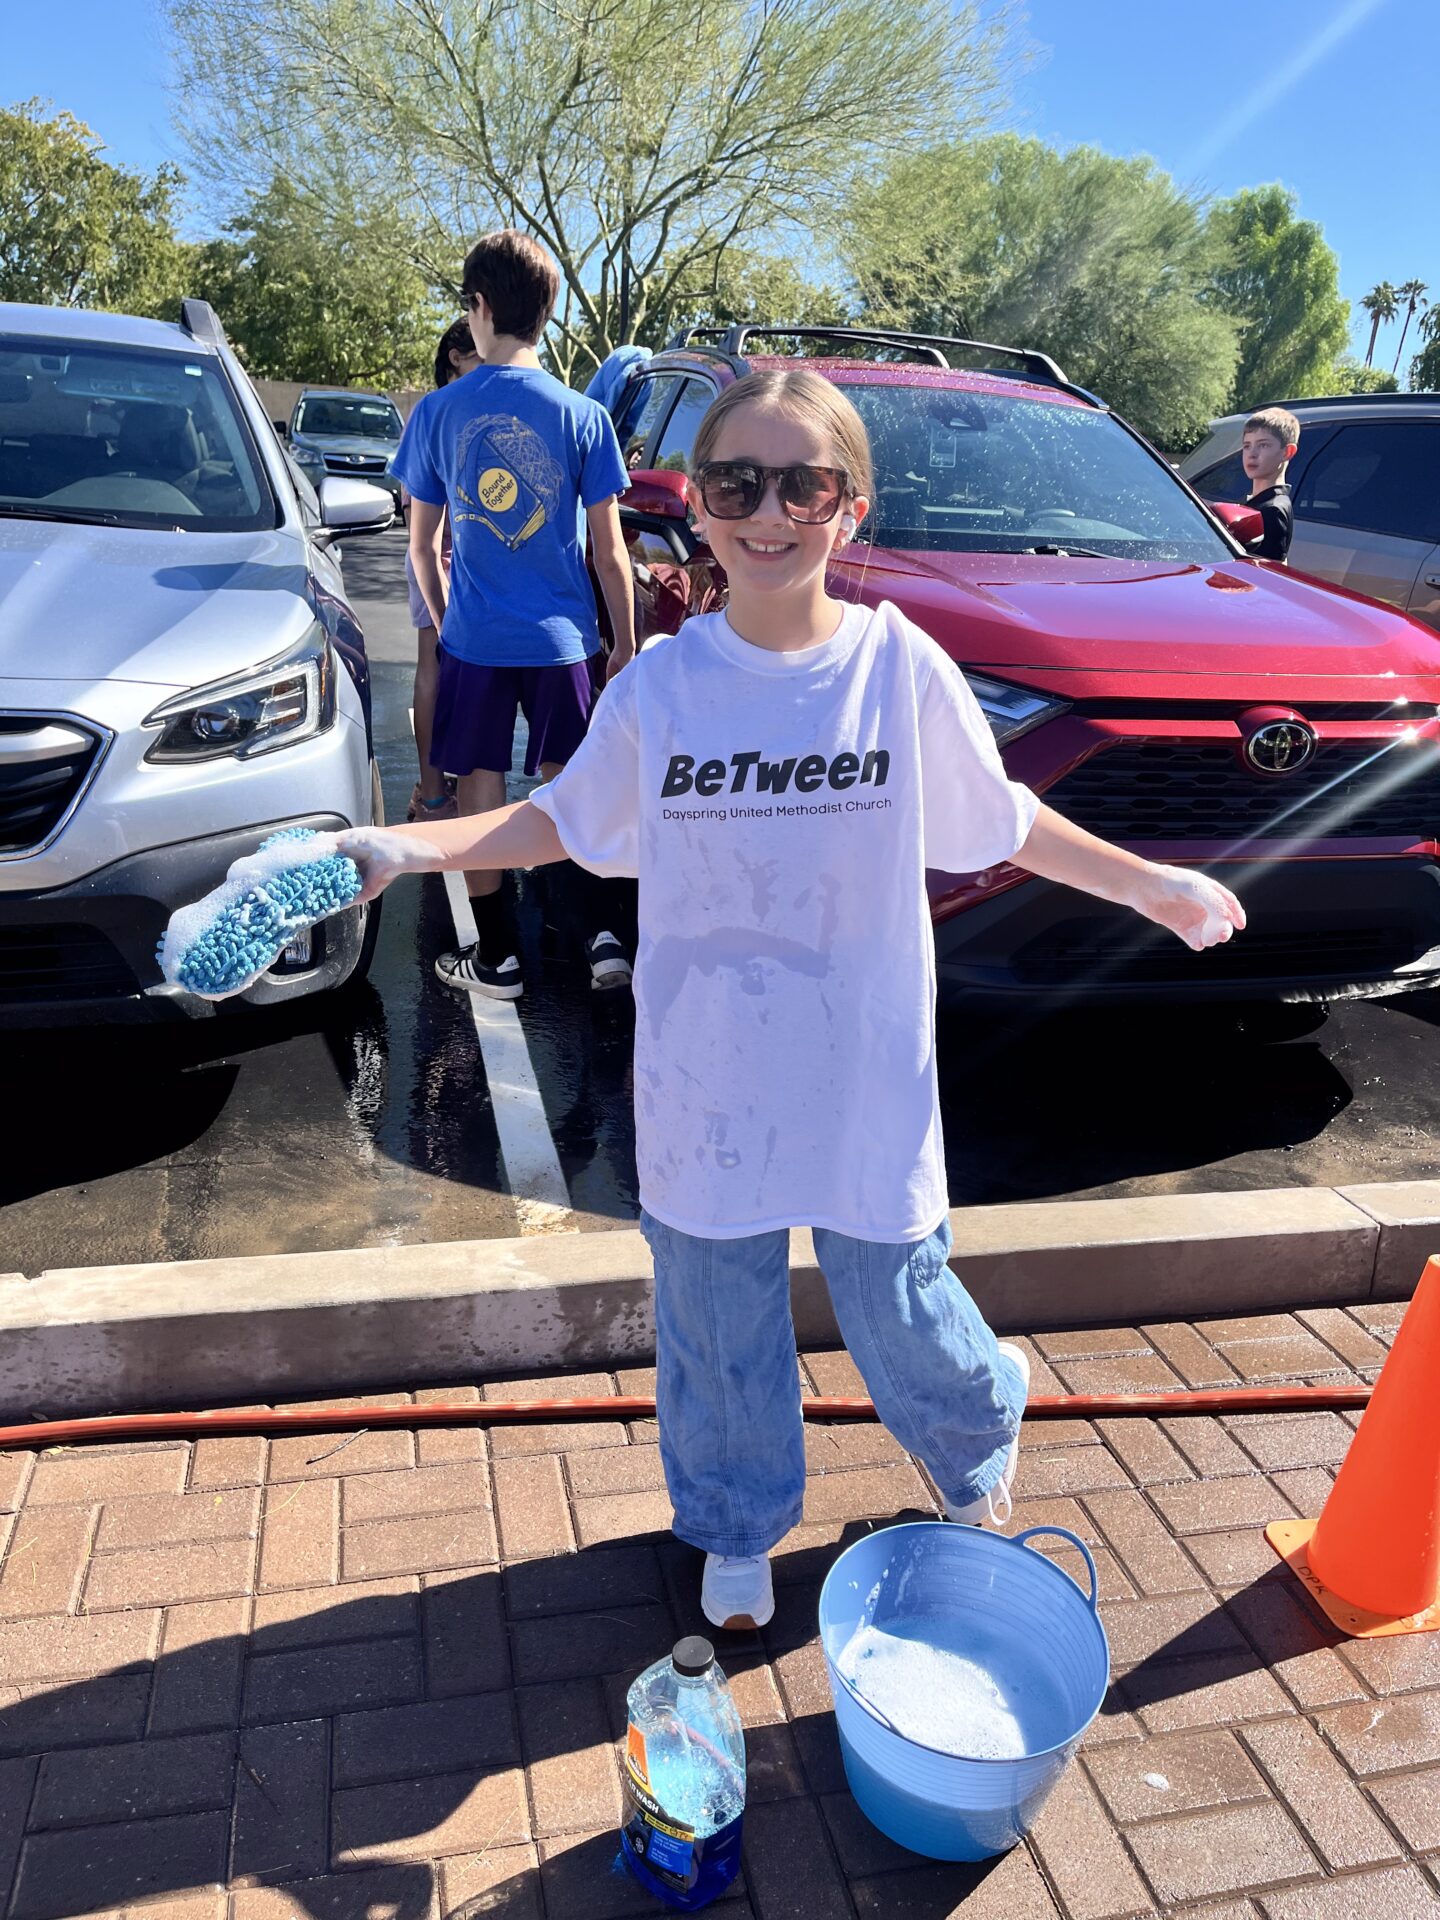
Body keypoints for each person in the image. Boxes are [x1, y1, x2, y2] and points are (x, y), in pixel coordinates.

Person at [338, 368, 1245, 1631]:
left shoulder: (898, 666)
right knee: (715, 1319)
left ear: (849, 510)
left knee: (900, 1294)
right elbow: (560, 819)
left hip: (862, 1062)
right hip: (708, 1073)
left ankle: (978, 1439)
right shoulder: (660, 686)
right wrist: (409, 846)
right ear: (695, 506)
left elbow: (1001, 817)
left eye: (803, 484)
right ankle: (734, 1523)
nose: (770, 511)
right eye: (736, 482)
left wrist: (1146, 882)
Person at [391, 228, 637, 998]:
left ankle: (496, 957)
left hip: (476, 641)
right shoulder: (583, 417)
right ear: (548, 313)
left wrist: (446, 614)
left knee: (480, 785)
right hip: (565, 640)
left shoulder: (438, 411)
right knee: (573, 784)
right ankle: (601, 936)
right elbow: (610, 553)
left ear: (480, 306)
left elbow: (423, 547)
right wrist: (623, 644)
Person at [402, 318, 482, 823]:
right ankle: (435, 794)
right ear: (455, 355)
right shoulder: (433, 412)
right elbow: (413, 503)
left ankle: (440, 790)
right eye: (481, 349)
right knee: (436, 664)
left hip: (456, 550)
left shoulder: (436, 413)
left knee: (449, 669)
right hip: (439, 551)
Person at [1241, 406, 1300, 562]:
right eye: (1247, 446)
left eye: (1263, 445)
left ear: (1287, 452)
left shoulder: (1273, 510)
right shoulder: (1259, 502)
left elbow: (1269, 572)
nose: (1252, 454)